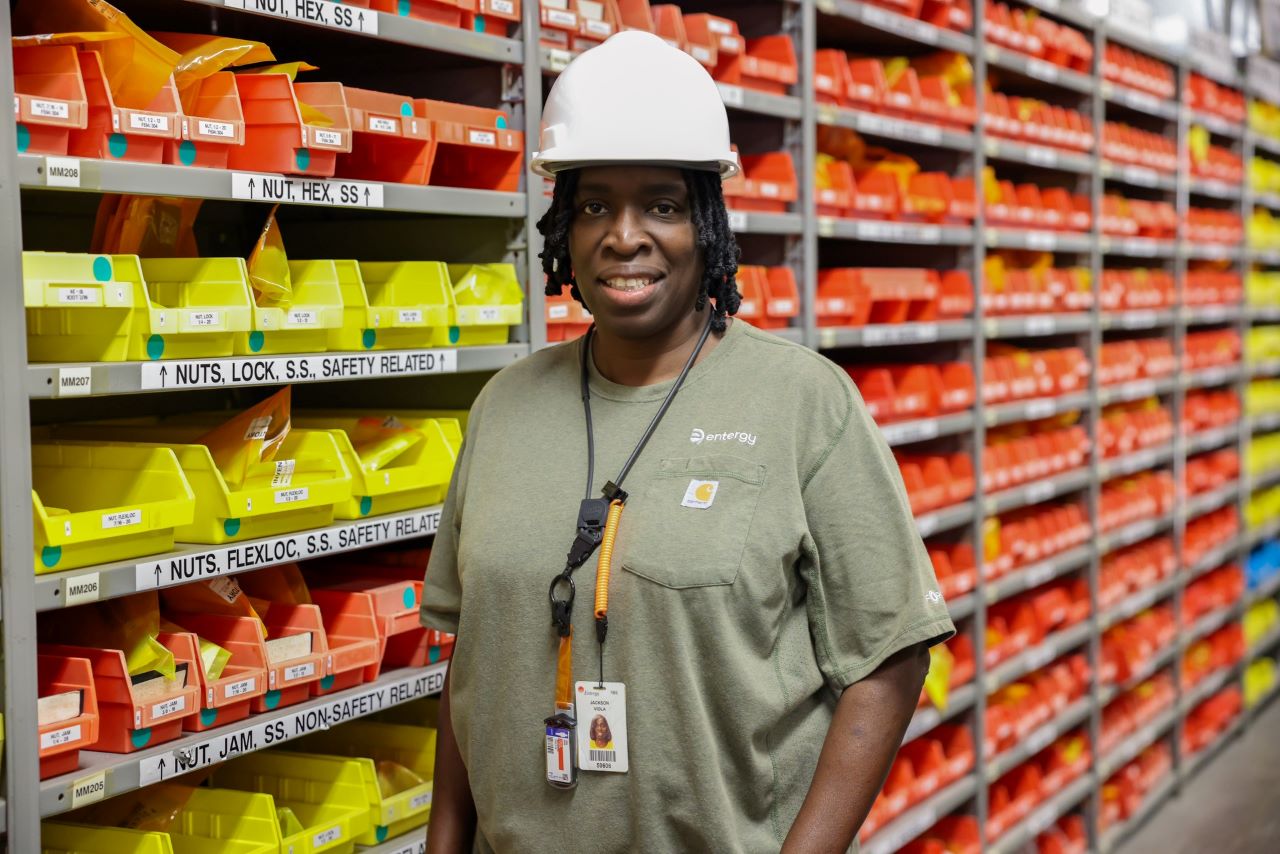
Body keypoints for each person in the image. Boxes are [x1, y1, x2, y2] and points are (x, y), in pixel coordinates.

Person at [422, 30, 955, 854]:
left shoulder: (803, 402)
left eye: (662, 205)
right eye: (594, 204)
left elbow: (888, 660)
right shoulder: (503, 408)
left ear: (707, 224)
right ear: (563, 225)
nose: (624, 236)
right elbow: (475, 662)